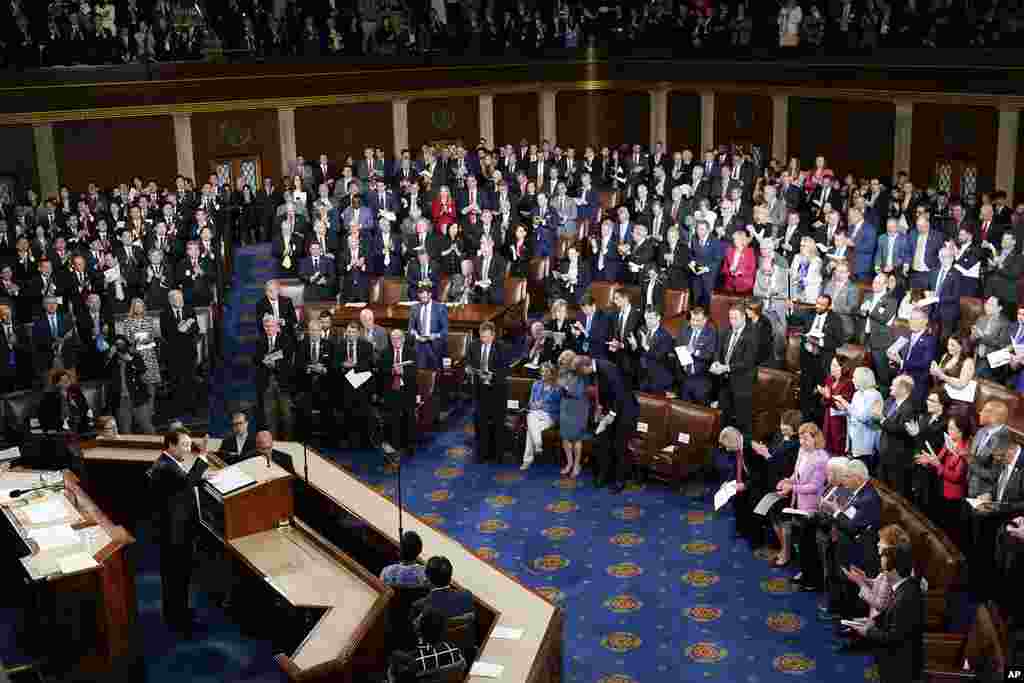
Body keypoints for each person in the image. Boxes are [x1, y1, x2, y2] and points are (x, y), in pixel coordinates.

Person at [146, 429, 209, 636]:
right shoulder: (165, 466)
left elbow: (181, 484)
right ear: (171, 446)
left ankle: (177, 614)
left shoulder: (168, 463)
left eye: (189, 445)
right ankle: (179, 622)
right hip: (174, 534)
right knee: (177, 577)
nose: (188, 449)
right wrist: (202, 458)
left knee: (177, 578)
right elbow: (185, 483)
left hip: (173, 531)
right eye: (184, 445)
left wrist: (202, 478)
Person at [849, 540, 924, 683]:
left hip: (899, 667)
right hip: (897, 660)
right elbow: (894, 618)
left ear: (894, 571)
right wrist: (872, 622)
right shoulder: (905, 587)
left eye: (884, 569)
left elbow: (893, 638)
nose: (882, 573)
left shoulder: (905, 598)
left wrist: (868, 631)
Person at [574, 354, 639, 494]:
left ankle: (620, 481)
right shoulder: (595, 370)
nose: (583, 376)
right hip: (611, 410)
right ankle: (604, 476)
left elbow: (619, 393)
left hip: (625, 411)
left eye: (582, 372)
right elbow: (604, 392)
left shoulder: (608, 368)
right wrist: (601, 410)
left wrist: (611, 415)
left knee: (619, 447)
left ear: (586, 366)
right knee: (604, 443)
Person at [734, 410, 801, 545]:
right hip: (772, 482)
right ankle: (782, 549)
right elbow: (774, 454)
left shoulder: (796, 445)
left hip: (783, 485)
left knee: (781, 519)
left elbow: (783, 467)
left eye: (786, 424)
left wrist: (766, 455)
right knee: (773, 517)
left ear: (795, 426)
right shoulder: (779, 437)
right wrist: (767, 451)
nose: (782, 427)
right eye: (782, 423)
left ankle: (785, 550)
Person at [767, 423, 829, 567]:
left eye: (806, 439)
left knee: (808, 540)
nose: (802, 442)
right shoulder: (802, 451)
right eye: (801, 438)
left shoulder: (821, 458)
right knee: (800, 537)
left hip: (811, 503)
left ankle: (809, 571)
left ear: (816, 438)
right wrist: (787, 480)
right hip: (798, 499)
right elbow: (797, 473)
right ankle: (802, 566)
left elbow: (814, 487)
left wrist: (791, 488)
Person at [914, 413, 971, 545]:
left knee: (950, 530)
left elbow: (956, 477)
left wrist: (938, 465)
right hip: (940, 489)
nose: (948, 431)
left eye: (952, 429)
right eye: (948, 428)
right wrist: (929, 460)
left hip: (953, 496)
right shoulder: (948, 443)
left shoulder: (964, 450)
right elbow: (938, 460)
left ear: (961, 431)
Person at [711, 304, 757, 436]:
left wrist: (726, 368)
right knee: (723, 417)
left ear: (743, 317)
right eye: (730, 318)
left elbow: (748, 361)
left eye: (735, 318)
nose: (732, 321)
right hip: (725, 382)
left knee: (742, 422)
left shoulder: (752, 334)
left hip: (742, 384)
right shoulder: (726, 330)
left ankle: (742, 451)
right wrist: (715, 362)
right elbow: (718, 350)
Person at [387, 607, 467, 683]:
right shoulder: (455, 650)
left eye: (417, 620)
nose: (414, 621)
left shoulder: (414, 662)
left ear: (419, 630)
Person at [798, 294, 844, 421]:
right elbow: (793, 319)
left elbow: (839, 341)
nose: (818, 306)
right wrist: (790, 309)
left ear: (829, 306)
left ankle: (819, 421)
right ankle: (804, 419)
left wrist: (820, 342)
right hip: (807, 358)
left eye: (822, 305)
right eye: (817, 303)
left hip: (822, 360)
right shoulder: (809, 313)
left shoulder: (835, 319)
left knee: (820, 392)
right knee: (805, 391)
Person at [468, 322, 507, 463]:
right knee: (481, 422)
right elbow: (470, 362)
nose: (484, 340)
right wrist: (470, 369)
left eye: (487, 337)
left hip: (497, 390)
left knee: (497, 423)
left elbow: (505, 370)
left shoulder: (501, 347)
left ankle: (498, 454)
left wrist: (493, 376)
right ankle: (482, 453)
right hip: (480, 390)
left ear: (493, 335)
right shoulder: (474, 345)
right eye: (482, 337)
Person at [876, 374, 919, 499]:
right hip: (885, 453)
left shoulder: (910, 408)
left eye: (893, 386)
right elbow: (881, 420)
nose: (890, 388)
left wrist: (882, 419)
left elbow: (901, 430)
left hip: (898, 459)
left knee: (897, 493)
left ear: (904, 389)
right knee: (883, 489)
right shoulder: (889, 402)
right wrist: (877, 417)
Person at [334, 321, 375, 449]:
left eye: (353, 332)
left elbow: (369, 364)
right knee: (346, 412)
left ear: (358, 333)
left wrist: (354, 366)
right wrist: (342, 365)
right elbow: (334, 363)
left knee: (362, 411)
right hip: (344, 384)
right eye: (349, 332)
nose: (350, 334)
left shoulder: (367, 346)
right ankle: (347, 440)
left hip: (361, 383)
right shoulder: (339, 345)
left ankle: (363, 440)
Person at [378, 329, 418, 459]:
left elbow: (414, 373)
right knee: (392, 417)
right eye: (393, 339)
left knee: (409, 416)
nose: (396, 341)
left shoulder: (411, 352)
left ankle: (409, 445)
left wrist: (402, 372)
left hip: (407, 389)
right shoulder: (385, 353)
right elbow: (381, 371)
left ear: (403, 339)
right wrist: (392, 370)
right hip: (392, 389)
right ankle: (395, 444)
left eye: (398, 338)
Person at [121, 297, 160, 430]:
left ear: (143, 308)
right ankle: (139, 418)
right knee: (138, 387)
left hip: (149, 356)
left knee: (150, 387)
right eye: (136, 306)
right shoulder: (127, 322)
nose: (139, 308)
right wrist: (139, 341)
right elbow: (126, 340)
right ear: (133, 308)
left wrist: (141, 340)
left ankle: (149, 416)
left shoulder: (149, 320)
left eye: (141, 306)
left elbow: (153, 337)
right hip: (135, 357)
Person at [254, 314, 295, 439]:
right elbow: (256, 359)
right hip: (266, 383)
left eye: (271, 326)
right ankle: (273, 444)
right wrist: (265, 360)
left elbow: (287, 358)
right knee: (269, 417)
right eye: (266, 326)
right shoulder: (260, 340)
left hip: (282, 382)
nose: (268, 329)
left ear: (277, 326)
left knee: (287, 416)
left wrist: (273, 362)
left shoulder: (285, 339)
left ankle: (289, 443)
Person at [835, 367, 883, 466]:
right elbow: (853, 413)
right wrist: (843, 409)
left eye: (854, 378)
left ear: (863, 379)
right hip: (854, 438)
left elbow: (863, 417)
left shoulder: (874, 395)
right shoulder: (857, 394)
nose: (852, 380)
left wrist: (845, 403)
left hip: (866, 442)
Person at [105, 334, 151, 435]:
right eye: (117, 344)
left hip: (137, 398)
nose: (119, 347)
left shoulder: (135, 357)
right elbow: (103, 372)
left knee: (147, 427)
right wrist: (109, 355)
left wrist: (129, 360)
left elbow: (142, 371)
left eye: (122, 344)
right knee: (126, 432)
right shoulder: (112, 361)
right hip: (121, 401)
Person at [521, 363, 561, 471]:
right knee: (531, 416)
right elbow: (530, 402)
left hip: (549, 416)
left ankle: (527, 460)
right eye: (542, 371)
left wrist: (542, 405)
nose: (543, 374)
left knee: (530, 428)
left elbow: (557, 407)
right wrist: (534, 405)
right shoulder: (536, 384)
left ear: (552, 374)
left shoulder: (557, 388)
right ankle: (537, 445)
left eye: (546, 372)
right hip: (535, 413)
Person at [673, 305, 717, 403]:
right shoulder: (685, 327)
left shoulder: (711, 332)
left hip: (700, 375)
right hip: (682, 373)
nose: (694, 323)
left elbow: (709, 354)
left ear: (705, 320)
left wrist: (695, 351)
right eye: (693, 320)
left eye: (698, 321)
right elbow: (677, 346)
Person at [557, 350, 589, 479]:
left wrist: (564, 387)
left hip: (578, 407)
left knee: (576, 438)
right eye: (561, 360)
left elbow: (578, 393)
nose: (561, 362)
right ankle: (569, 463)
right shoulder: (562, 373)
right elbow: (560, 389)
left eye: (564, 360)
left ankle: (577, 465)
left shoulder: (581, 374)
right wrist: (559, 386)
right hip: (565, 406)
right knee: (565, 437)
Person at [819, 356, 854, 455]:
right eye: (831, 365)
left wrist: (828, 397)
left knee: (838, 450)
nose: (831, 368)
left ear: (843, 367)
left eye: (835, 365)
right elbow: (823, 402)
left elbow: (842, 406)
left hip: (840, 421)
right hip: (827, 419)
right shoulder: (830, 380)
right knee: (826, 449)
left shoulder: (848, 383)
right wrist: (824, 396)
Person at [408, 283, 448, 370]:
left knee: (434, 367)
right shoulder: (414, 308)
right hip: (420, 342)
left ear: (430, 295)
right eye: (421, 298)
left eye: (425, 297)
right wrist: (416, 336)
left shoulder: (440, 308)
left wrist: (435, 335)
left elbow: (445, 331)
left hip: (434, 343)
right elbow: (411, 329)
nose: (423, 300)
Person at [636, 308, 675, 393]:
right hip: (643, 372)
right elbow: (639, 352)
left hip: (658, 376)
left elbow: (659, 356)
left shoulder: (665, 336)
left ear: (658, 318)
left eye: (650, 318)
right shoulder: (642, 330)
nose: (648, 321)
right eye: (646, 319)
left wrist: (646, 346)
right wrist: (634, 346)